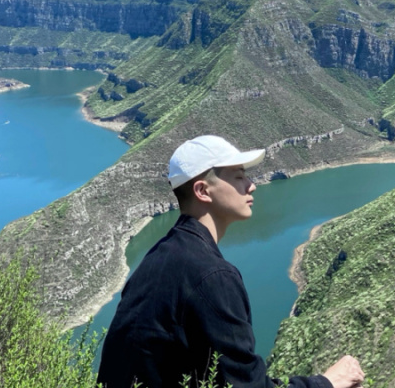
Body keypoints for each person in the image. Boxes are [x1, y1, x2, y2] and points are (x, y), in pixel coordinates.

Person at [97, 135, 365, 388]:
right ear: (203, 191)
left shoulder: (158, 258)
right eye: (239, 177)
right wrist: (328, 382)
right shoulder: (211, 276)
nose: (252, 185)